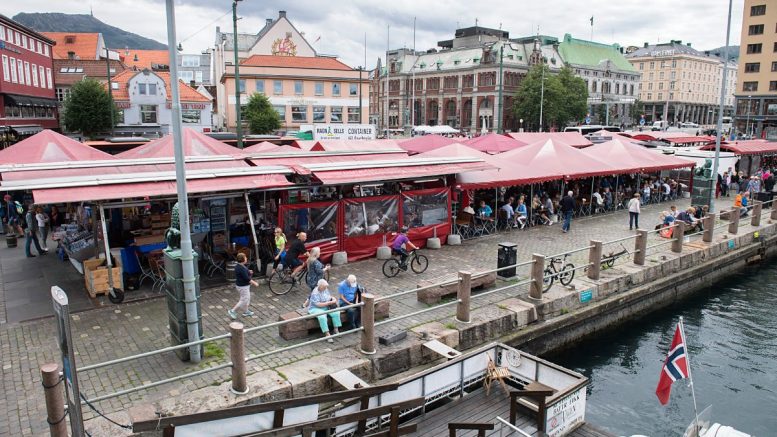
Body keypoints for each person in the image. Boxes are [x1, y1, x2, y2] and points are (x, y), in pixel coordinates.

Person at [304, 279, 341, 343]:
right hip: (316, 308)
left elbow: (329, 296)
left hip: (326, 306)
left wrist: (333, 299)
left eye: (326, 287)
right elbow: (318, 304)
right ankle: (327, 334)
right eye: (324, 287)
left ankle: (336, 329)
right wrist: (329, 303)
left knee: (336, 312)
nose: (325, 288)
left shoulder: (325, 289)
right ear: (320, 286)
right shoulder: (315, 293)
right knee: (322, 317)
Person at [228, 253, 259, 319]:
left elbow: (245, 271)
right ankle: (232, 311)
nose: (246, 258)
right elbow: (247, 278)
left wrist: (249, 271)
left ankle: (246, 311)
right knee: (244, 300)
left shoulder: (239, 266)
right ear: (242, 260)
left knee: (247, 298)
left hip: (242, 286)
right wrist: (254, 283)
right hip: (243, 287)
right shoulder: (241, 268)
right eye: (245, 258)